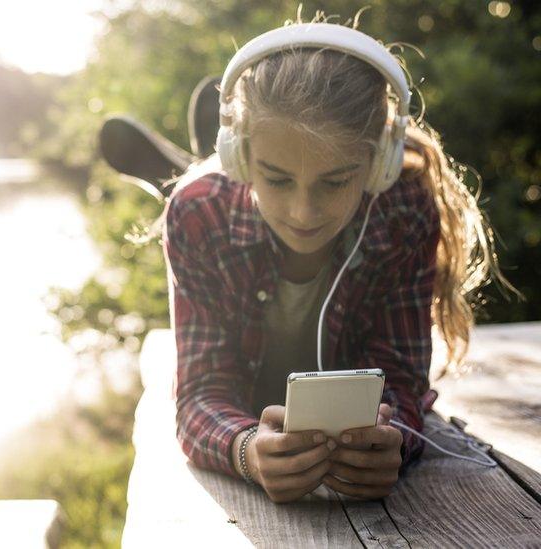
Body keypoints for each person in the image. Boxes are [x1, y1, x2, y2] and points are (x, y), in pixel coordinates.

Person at [161, 16, 520, 503]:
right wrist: (245, 448)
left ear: (379, 164)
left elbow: (401, 379)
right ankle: (182, 163)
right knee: (189, 190)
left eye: (334, 182)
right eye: (277, 179)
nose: (303, 213)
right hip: (251, 386)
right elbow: (201, 392)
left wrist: (393, 443)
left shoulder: (403, 207)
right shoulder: (199, 213)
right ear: (240, 157)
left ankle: (198, 153)